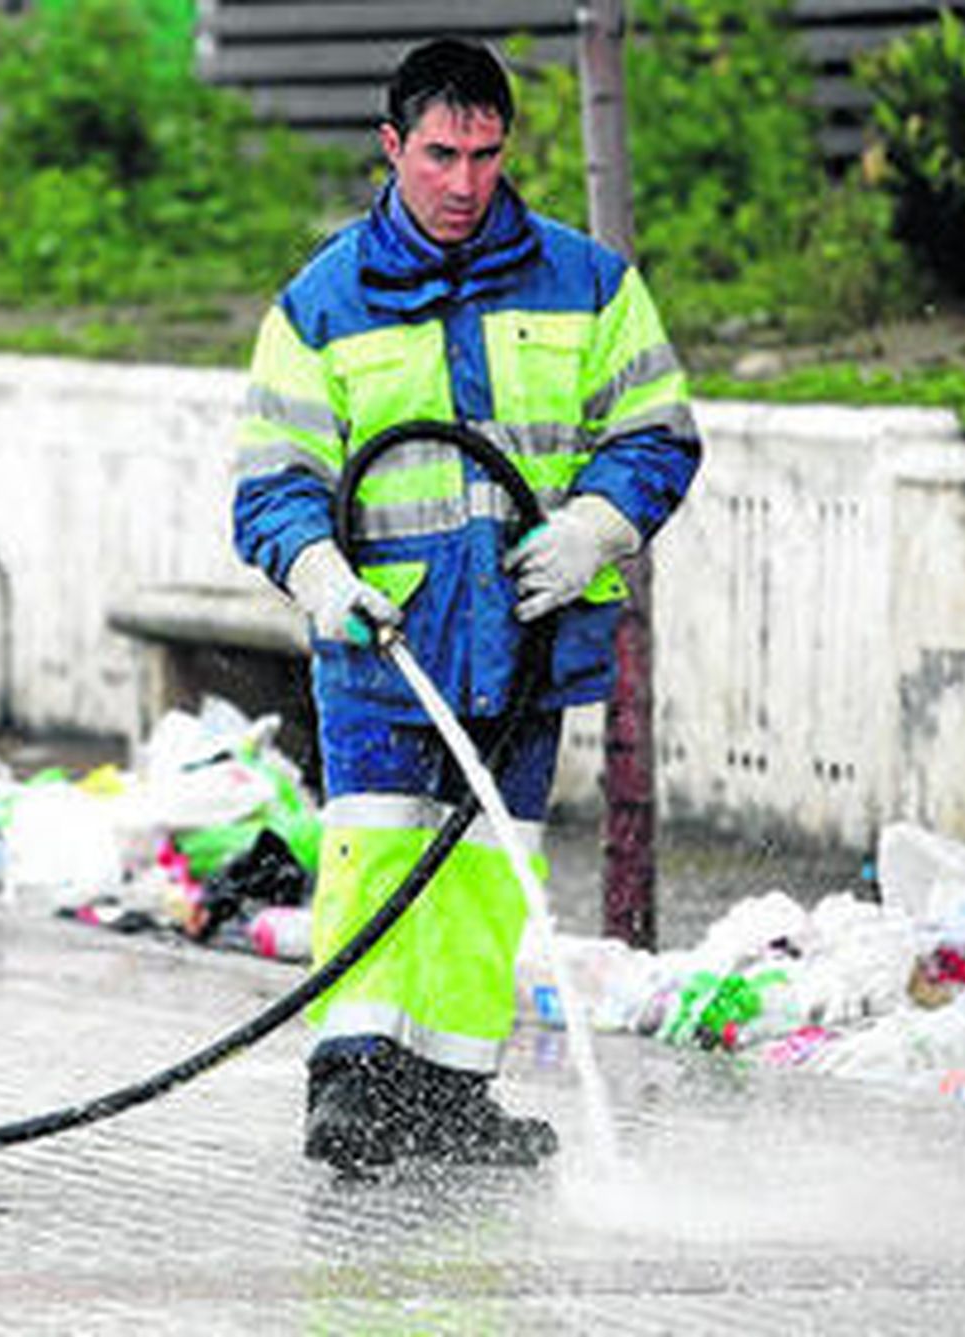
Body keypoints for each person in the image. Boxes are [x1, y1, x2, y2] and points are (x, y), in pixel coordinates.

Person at [232, 36, 701, 1173]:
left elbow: (656, 436)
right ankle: (349, 1082)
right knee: (375, 854)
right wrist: (316, 571)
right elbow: (272, 482)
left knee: (491, 865)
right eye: (440, 154)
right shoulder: (323, 301)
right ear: (391, 147)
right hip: (381, 640)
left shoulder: (587, 283)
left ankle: (447, 1092)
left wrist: (596, 526)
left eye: (486, 155)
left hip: (526, 643)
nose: (463, 183)